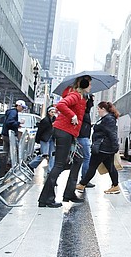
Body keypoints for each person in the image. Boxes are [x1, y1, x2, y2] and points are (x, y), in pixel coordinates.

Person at [37, 76, 91, 208]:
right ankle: (46, 199)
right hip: (64, 132)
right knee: (59, 165)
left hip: (69, 133)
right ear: (83, 84)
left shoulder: (81, 97)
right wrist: (72, 116)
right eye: (89, 84)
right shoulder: (75, 95)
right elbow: (61, 105)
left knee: (78, 159)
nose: (91, 87)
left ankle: (69, 194)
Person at [76, 101, 121, 194]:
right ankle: (115, 186)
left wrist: (115, 146)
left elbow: (112, 133)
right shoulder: (106, 118)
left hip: (103, 147)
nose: (98, 111)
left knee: (92, 166)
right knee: (110, 167)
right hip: (105, 147)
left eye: (99, 109)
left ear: (103, 109)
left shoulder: (108, 119)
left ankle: (82, 184)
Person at [28, 105, 57, 171]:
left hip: (51, 139)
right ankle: (31, 165)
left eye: (54, 112)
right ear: (48, 112)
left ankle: (50, 169)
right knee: (44, 154)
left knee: (52, 154)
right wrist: (38, 139)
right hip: (45, 139)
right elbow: (40, 130)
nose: (53, 114)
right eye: (52, 112)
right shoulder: (45, 120)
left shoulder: (55, 120)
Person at [1, 99, 27, 168]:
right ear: (18, 106)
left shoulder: (12, 112)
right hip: (8, 135)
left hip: (6, 134)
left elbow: (9, 122)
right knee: (14, 149)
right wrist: (19, 123)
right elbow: (10, 122)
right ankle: (10, 164)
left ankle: (4, 164)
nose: (23, 109)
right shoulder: (13, 112)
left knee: (6, 150)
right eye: (22, 107)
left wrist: (17, 125)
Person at [77, 94, 95, 188]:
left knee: (82, 159)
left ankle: (83, 179)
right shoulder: (84, 111)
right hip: (83, 137)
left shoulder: (83, 111)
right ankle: (84, 179)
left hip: (82, 136)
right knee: (86, 158)